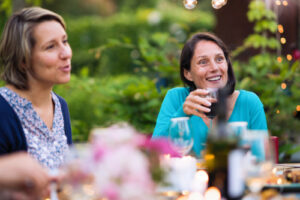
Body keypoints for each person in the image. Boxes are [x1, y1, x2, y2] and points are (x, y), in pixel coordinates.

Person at [152, 32, 268, 156]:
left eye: (219, 59)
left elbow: (262, 158)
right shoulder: (176, 98)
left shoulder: (249, 103)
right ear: (188, 74)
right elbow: (154, 154)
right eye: (203, 62)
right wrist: (182, 113)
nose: (214, 68)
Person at [0, 7, 72, 169]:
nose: (66, 53)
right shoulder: (2, 111)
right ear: (23, 60)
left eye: (65, 41)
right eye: (50, 46)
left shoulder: (60, 106)